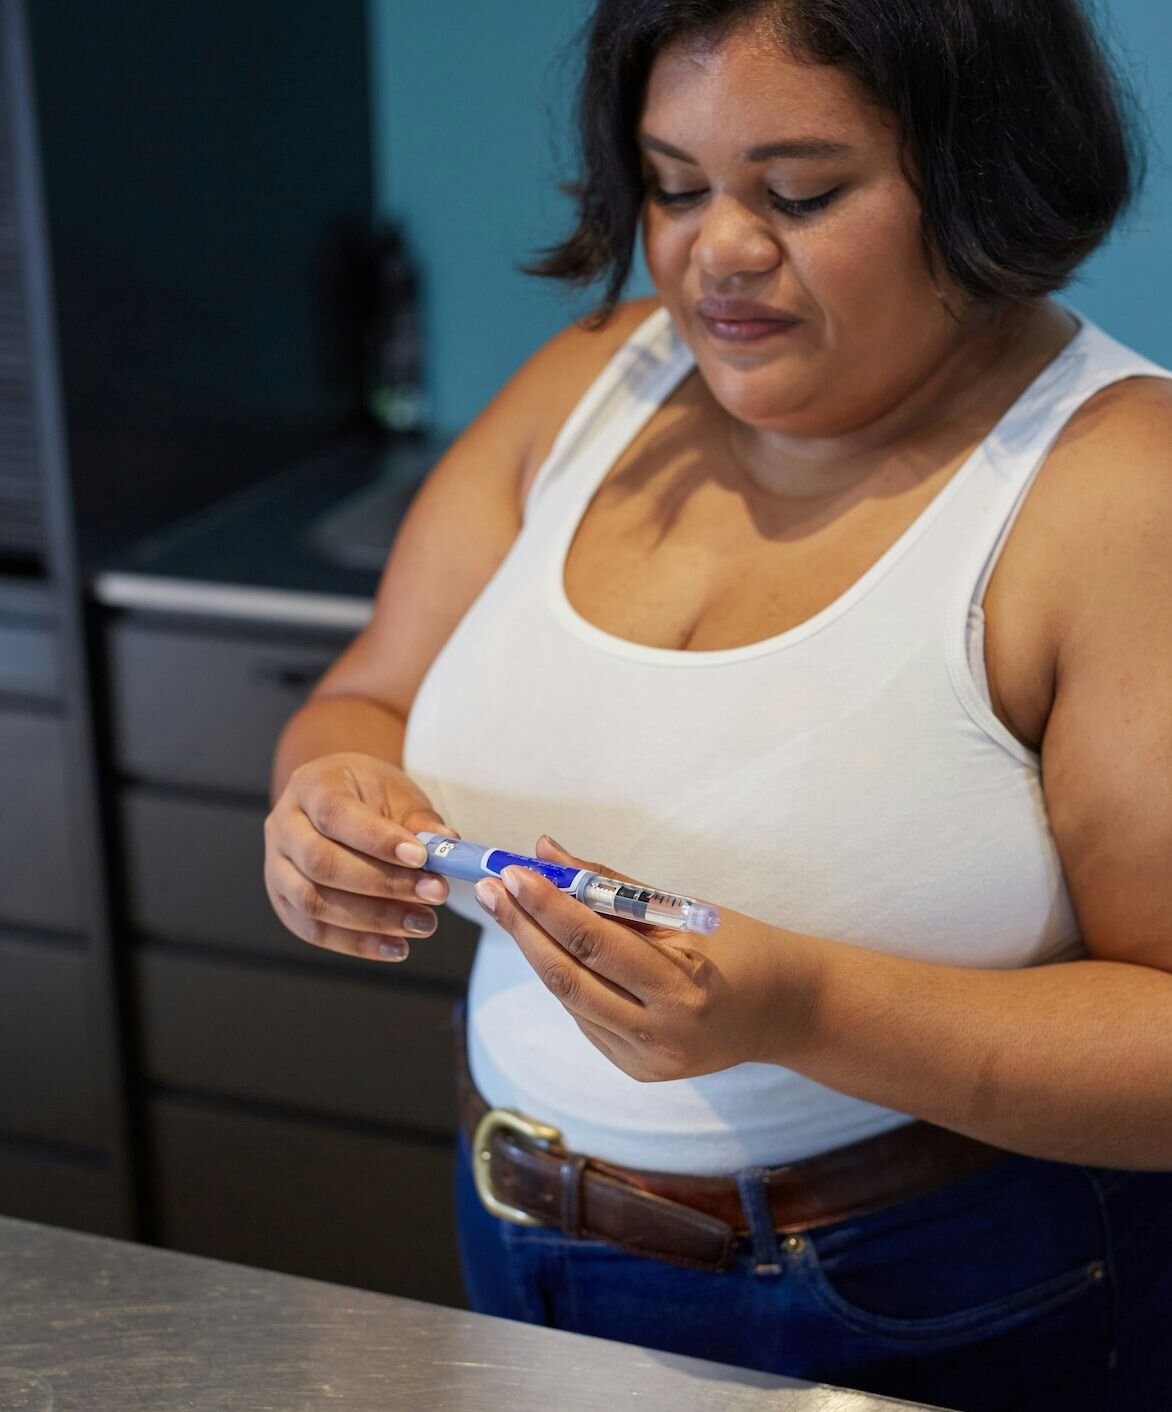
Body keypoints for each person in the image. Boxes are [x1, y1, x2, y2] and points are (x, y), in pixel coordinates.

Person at [265, 0, 1172, 1406]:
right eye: (675, 187)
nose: (719, 252)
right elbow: (370, 695)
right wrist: (323, 799)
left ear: (982, 176)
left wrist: (800, 1007)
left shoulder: (1117, 491)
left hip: (931, 1293)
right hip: (515, 1230)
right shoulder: (593, 379)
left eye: (799, 194)